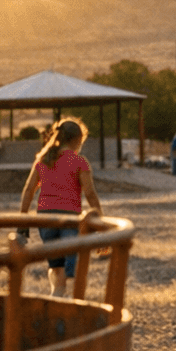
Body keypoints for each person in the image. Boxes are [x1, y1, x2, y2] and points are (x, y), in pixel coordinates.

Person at [17, 118, 103, 297]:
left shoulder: (43, 159)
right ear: (78, 140)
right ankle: (58, 302)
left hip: (45, 218)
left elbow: (28, 190)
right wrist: (100, 222)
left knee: (56, 265)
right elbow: (90, 194)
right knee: (69, 266)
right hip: (68, 218)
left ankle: (55, 293)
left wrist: (22, 221)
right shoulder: (79, 161)